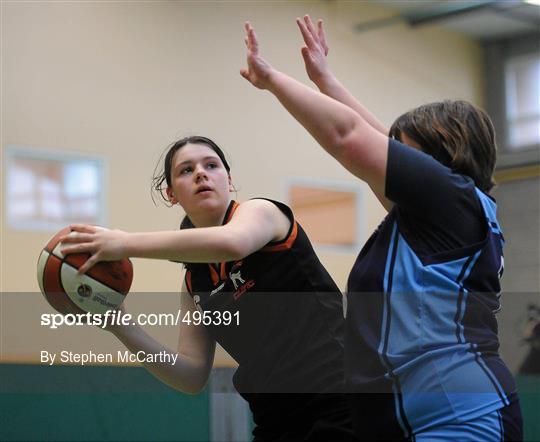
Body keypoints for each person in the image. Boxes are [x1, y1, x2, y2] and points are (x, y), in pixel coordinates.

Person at [240, 16, 523, 441]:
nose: (387, 157)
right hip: (413, 420)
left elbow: (349, 136)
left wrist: (273, 78)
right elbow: (375, 137)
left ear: (445, 151)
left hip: (457, 419)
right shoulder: (438, 216)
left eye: (402, 153)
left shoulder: (451, 198)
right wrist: (325, 79)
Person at [60, 135, 356, 440]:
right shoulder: (195, 282)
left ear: (228, 180)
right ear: (171, 193)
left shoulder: (263, 213)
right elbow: (191, 375)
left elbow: (232, 243)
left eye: (211, 165)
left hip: (341, 401)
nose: (201, 172)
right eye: (186, 170)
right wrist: (120, 326)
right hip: (276, 420)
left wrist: (124, 243)